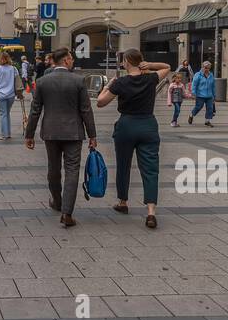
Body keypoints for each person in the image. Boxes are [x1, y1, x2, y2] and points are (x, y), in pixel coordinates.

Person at [98, 50, 170, 230]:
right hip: (148, 125)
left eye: (123, 61)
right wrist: (150, 65)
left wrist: (108, 86)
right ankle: (151, 211)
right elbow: (167, 67)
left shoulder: (120, 83)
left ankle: (123, 202)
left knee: (123, 164)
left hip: (127, 125)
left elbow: (100, 102)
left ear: (127, 62)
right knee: (151, 169)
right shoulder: (151, 79)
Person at [25, 47, 96, 228]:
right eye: (71, 59)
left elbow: (35, 110)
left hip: (50, 132)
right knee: (72, 170)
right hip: (74, 133)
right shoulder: (79, 81)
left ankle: (56, 201)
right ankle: (66, 213)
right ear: (65, 60)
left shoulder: (42, 82)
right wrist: (92, 135)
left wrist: (29, 134)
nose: (72, 61)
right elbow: (86, 110)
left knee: (53, 169)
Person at [0, 51, 22, 140]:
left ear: (0, 59)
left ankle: (4, 134)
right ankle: (8, 133)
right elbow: (18, 81)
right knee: (7, 113)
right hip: (11, 95)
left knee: (3, 114)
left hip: (1, 95)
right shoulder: (14, 68)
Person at [188, 62, 217, 127]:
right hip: (200, 95)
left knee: (210, 108)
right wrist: (193, 93)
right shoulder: (198, 75)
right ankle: (191, 115)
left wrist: (214, 95)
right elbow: (194, 85)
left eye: (208, 68)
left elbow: (213, 86)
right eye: (205, 68)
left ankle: (207, 121)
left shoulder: (211, 75)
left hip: (209, 95)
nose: (207, 69)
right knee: (198, 107)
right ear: (202, 67)